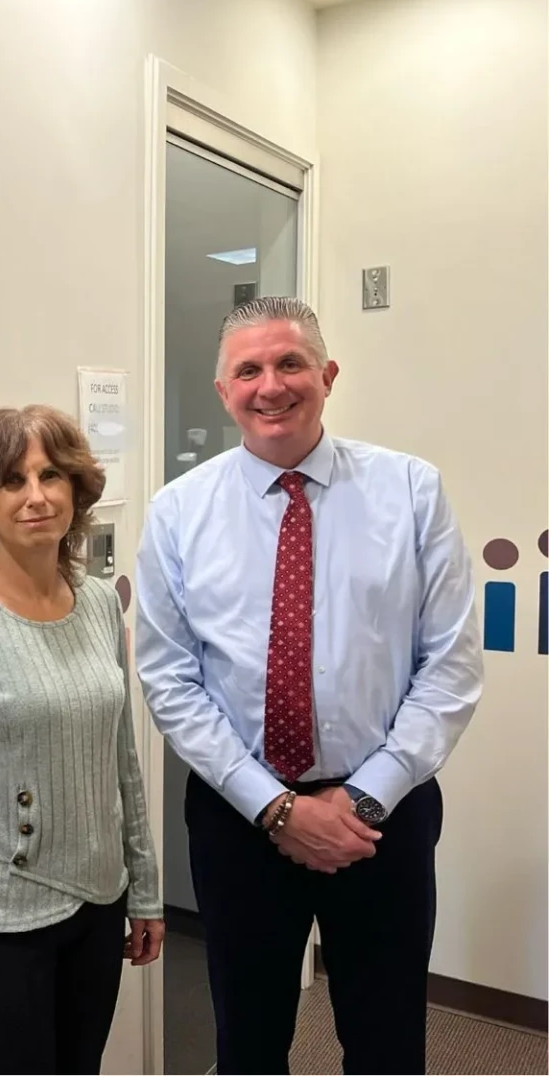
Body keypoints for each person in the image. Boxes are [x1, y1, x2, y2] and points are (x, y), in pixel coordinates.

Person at [134, 296, 483, 1075]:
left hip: (381, 816)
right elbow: (170, 678)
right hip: (239, 818)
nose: (271, 385)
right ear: (223, 391)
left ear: (327, 376)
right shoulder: (178, 513)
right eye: (248, 370)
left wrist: (361, 800)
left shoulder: (411, 491)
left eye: (290, 363)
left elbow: (451, 665)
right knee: (249, 1046)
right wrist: (276, 807)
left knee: (387, 1043)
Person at [0, 404, 163, 1076]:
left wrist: (144, 888)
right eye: (12, 481)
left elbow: (122, 759)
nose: (37, 496)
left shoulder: (100, 602)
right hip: (2, 923)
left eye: (51, 476)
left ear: (76, 489)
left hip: (99, 903)